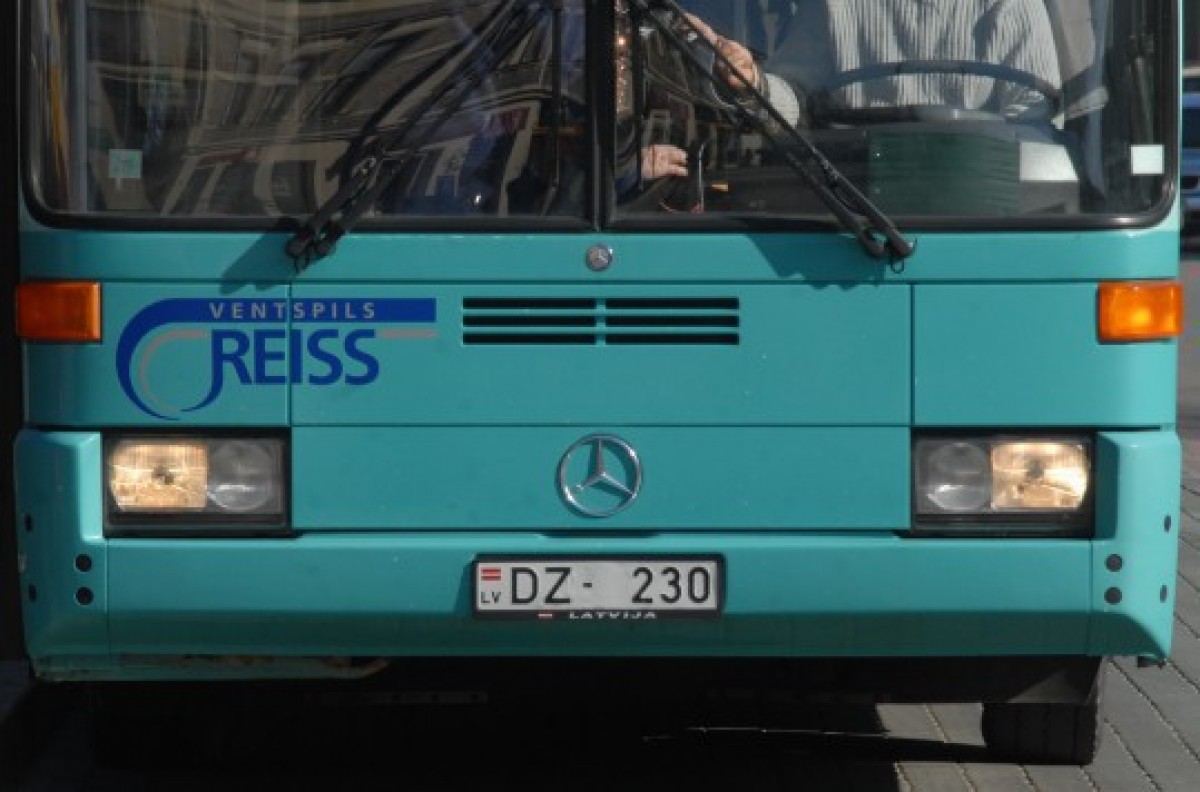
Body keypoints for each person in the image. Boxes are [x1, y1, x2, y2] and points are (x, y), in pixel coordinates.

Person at [687, 0, 1063, 127]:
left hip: (980, 211)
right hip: (855, 205)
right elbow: (796, 98)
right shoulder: (835, 6)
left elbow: (1035, 120)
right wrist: (752, 80)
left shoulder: (1011, 6)